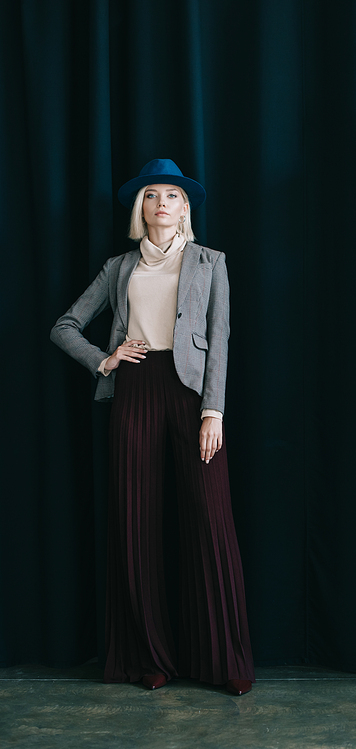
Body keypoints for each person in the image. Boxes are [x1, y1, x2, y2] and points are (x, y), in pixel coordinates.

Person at [51, 158, 255, 696]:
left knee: (209, 518)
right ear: (140, 208)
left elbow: (222, 340)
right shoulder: (120, 268)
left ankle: (223, 659)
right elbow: (64, 325)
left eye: (173, 195)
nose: (162, 202)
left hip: (191, 396)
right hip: (136, 388)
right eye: (151, 195)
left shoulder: (211, 262)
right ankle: (149, 656)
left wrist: (214, 412)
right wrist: (106, 358)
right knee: (136, 521)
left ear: (186, 207)